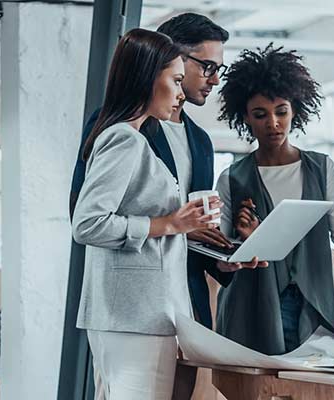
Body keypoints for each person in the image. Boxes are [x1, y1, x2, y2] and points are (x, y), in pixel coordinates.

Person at [69, 13, 262, 399]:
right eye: (205, 66)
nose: (213, 78)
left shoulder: (201, 141)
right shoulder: (122, 132)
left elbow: (189, 223)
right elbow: (87, 219)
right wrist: (168, 224)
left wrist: (223, 255)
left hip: (178, 301)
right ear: (166, 64)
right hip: (134, 305)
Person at [212, 44, 334, 355]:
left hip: (312, 307)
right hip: (251, 309)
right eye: (260, 114)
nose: (273, 123)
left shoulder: (321, 169)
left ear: (295, 110)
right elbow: (222, 261)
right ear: (245, 117)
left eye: (281, 111)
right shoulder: (233, 178)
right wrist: (246, 244)